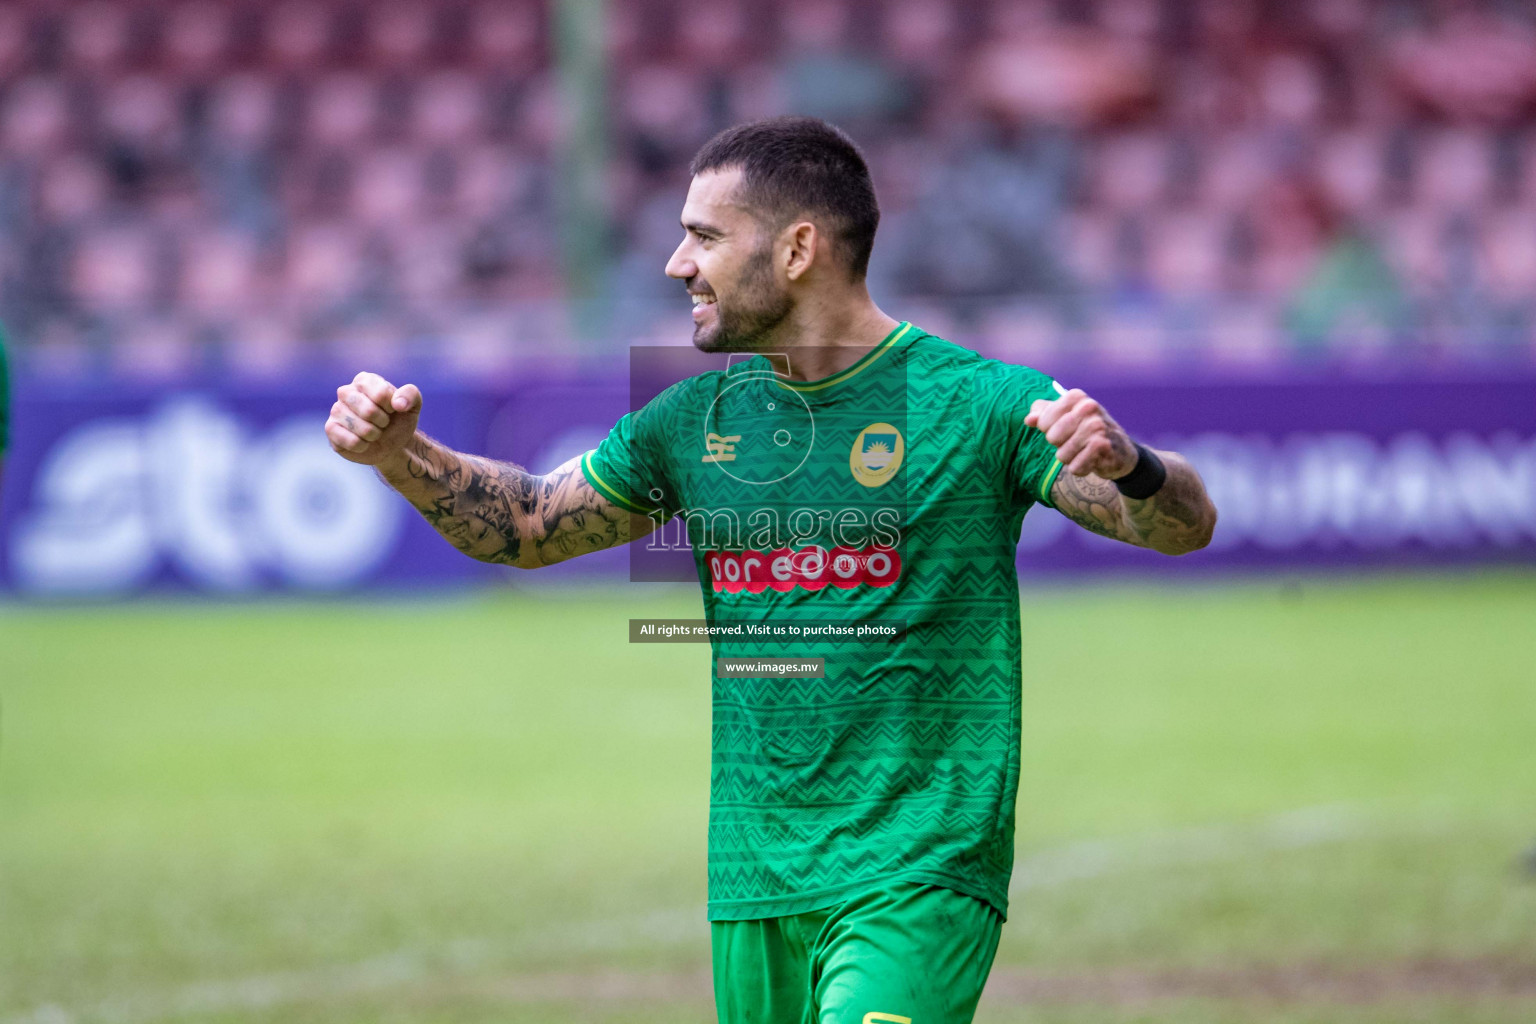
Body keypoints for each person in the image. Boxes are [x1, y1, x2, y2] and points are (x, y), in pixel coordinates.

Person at [325, 116, 1217, 1024]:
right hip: (754, 879)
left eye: (705, 236)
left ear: (798, 250)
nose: (677, 264)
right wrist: (403, 456)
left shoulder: (978, 404)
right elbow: (524, 526)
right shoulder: (687, 421)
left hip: (916, 871)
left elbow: (1181, 526)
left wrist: (1132, 464)